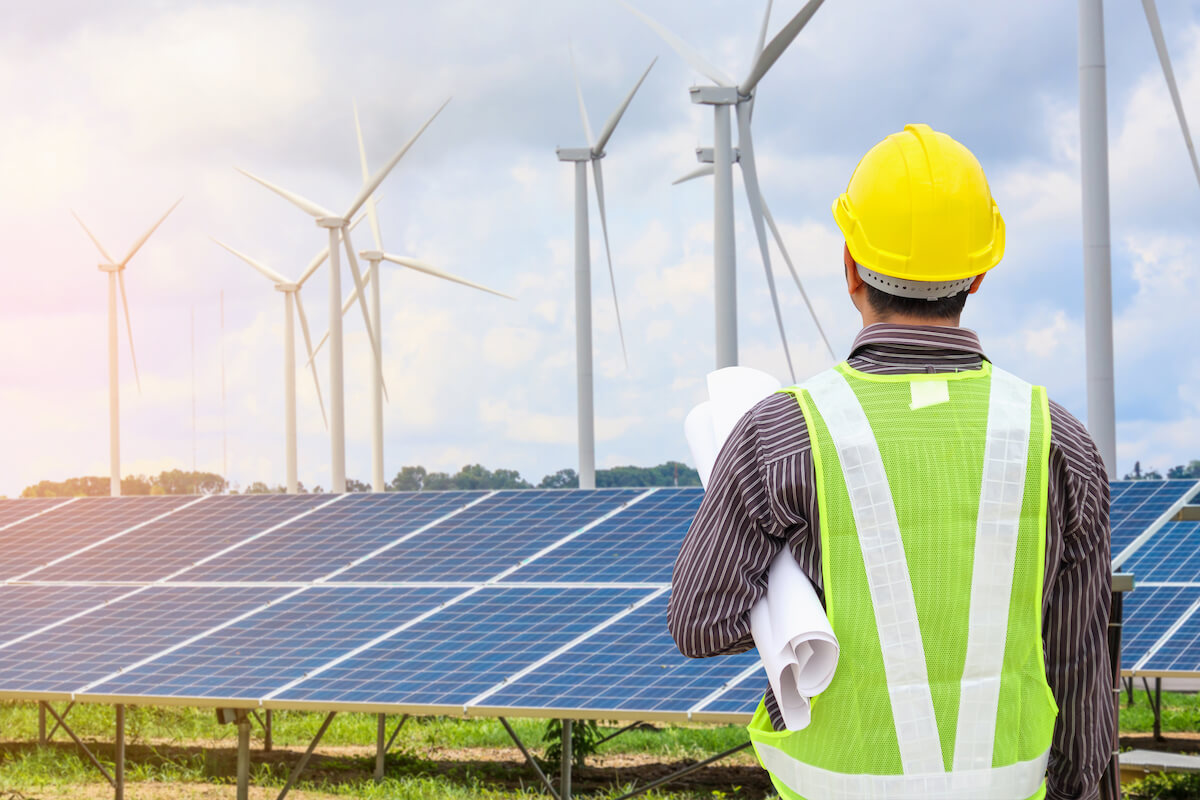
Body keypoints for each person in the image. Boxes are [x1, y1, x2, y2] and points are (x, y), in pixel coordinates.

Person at [668, 124, 1113, 800]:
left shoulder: (779, 433)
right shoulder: (1060, 443)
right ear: (980, 272)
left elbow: (703, 621)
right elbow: (1081, 676)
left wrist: (802, 601)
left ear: (850, 266)